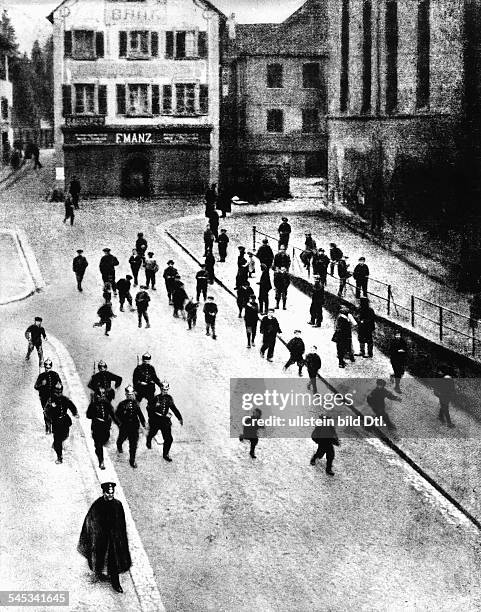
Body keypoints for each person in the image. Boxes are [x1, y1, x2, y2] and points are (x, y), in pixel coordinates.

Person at [78, 481, 132, 593]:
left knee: (114, 561)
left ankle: (116, 583)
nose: (110, 495)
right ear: (104, 493)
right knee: (100, 557)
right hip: (101, 539)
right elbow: (91, 520)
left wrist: (119, 537)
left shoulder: (118, 504)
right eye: (108, 493)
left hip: (113, 540)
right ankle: (99, 573)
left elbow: (121, 523)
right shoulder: (98, 505)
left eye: (112, 493)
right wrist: (96, 534)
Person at [146, 380, 183, 461]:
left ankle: (165, 454)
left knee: (169, 439)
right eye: (163, 389)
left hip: (165, 421)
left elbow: (174, 408)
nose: (165, 391)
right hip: (156, 420)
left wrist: (179, 417)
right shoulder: (156, 398)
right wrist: (155, 408)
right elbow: (149, 408)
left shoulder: (169, 398)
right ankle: (149, 439)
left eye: (166, 390)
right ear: (161, 389)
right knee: (153, 432)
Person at [44, 382, 79, 464]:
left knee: (65, 435)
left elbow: (71, 406)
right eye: (57, 392)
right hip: (56, 422)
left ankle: (57, 444)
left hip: (65, 421)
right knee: (58, 440)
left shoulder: (64, 399)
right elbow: (46, 412)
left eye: (60, 392)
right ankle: (59, 457)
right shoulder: (51, 400)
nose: (58, 394)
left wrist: (75, 413)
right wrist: (51, 408)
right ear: (54, 392)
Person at [87, 387, 118, 470]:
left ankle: (98, 450)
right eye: (100, 396)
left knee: (104, 440)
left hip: (106, 426)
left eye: (103, 395)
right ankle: (101, 461)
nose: (102, 397)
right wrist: (92, 407)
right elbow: (88, 415)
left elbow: (112, 414)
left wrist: (119, 424)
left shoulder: (107, 403)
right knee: (99, 444)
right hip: (97, 426)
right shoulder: (93, 404)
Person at [116, 385, 146, 468]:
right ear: (126, 394)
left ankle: (132, 460)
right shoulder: (122, 404)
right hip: (125, 426)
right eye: (128, 394)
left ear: (133, 394)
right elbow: (117, 415)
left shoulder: (136, 404)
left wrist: (143, 423)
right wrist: (120, 423)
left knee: (133, 445)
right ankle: (119, 445)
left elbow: (140, 414)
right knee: (121, 438)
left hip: (134, 427)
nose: (130, 396)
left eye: (131, 394)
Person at [34, 358, 62, 434]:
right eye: (46, 367)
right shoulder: (41, 376)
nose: (47, 369)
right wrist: (41, 384)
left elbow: (60, 385)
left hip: (54, 397)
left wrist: (59, 391)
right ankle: (48, 428)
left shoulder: (55, 375)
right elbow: (36, 386)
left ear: (51, 367)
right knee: (46, 412)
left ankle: (54, 428)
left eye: (49, 367)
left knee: (54, 412)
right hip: (44, 397)